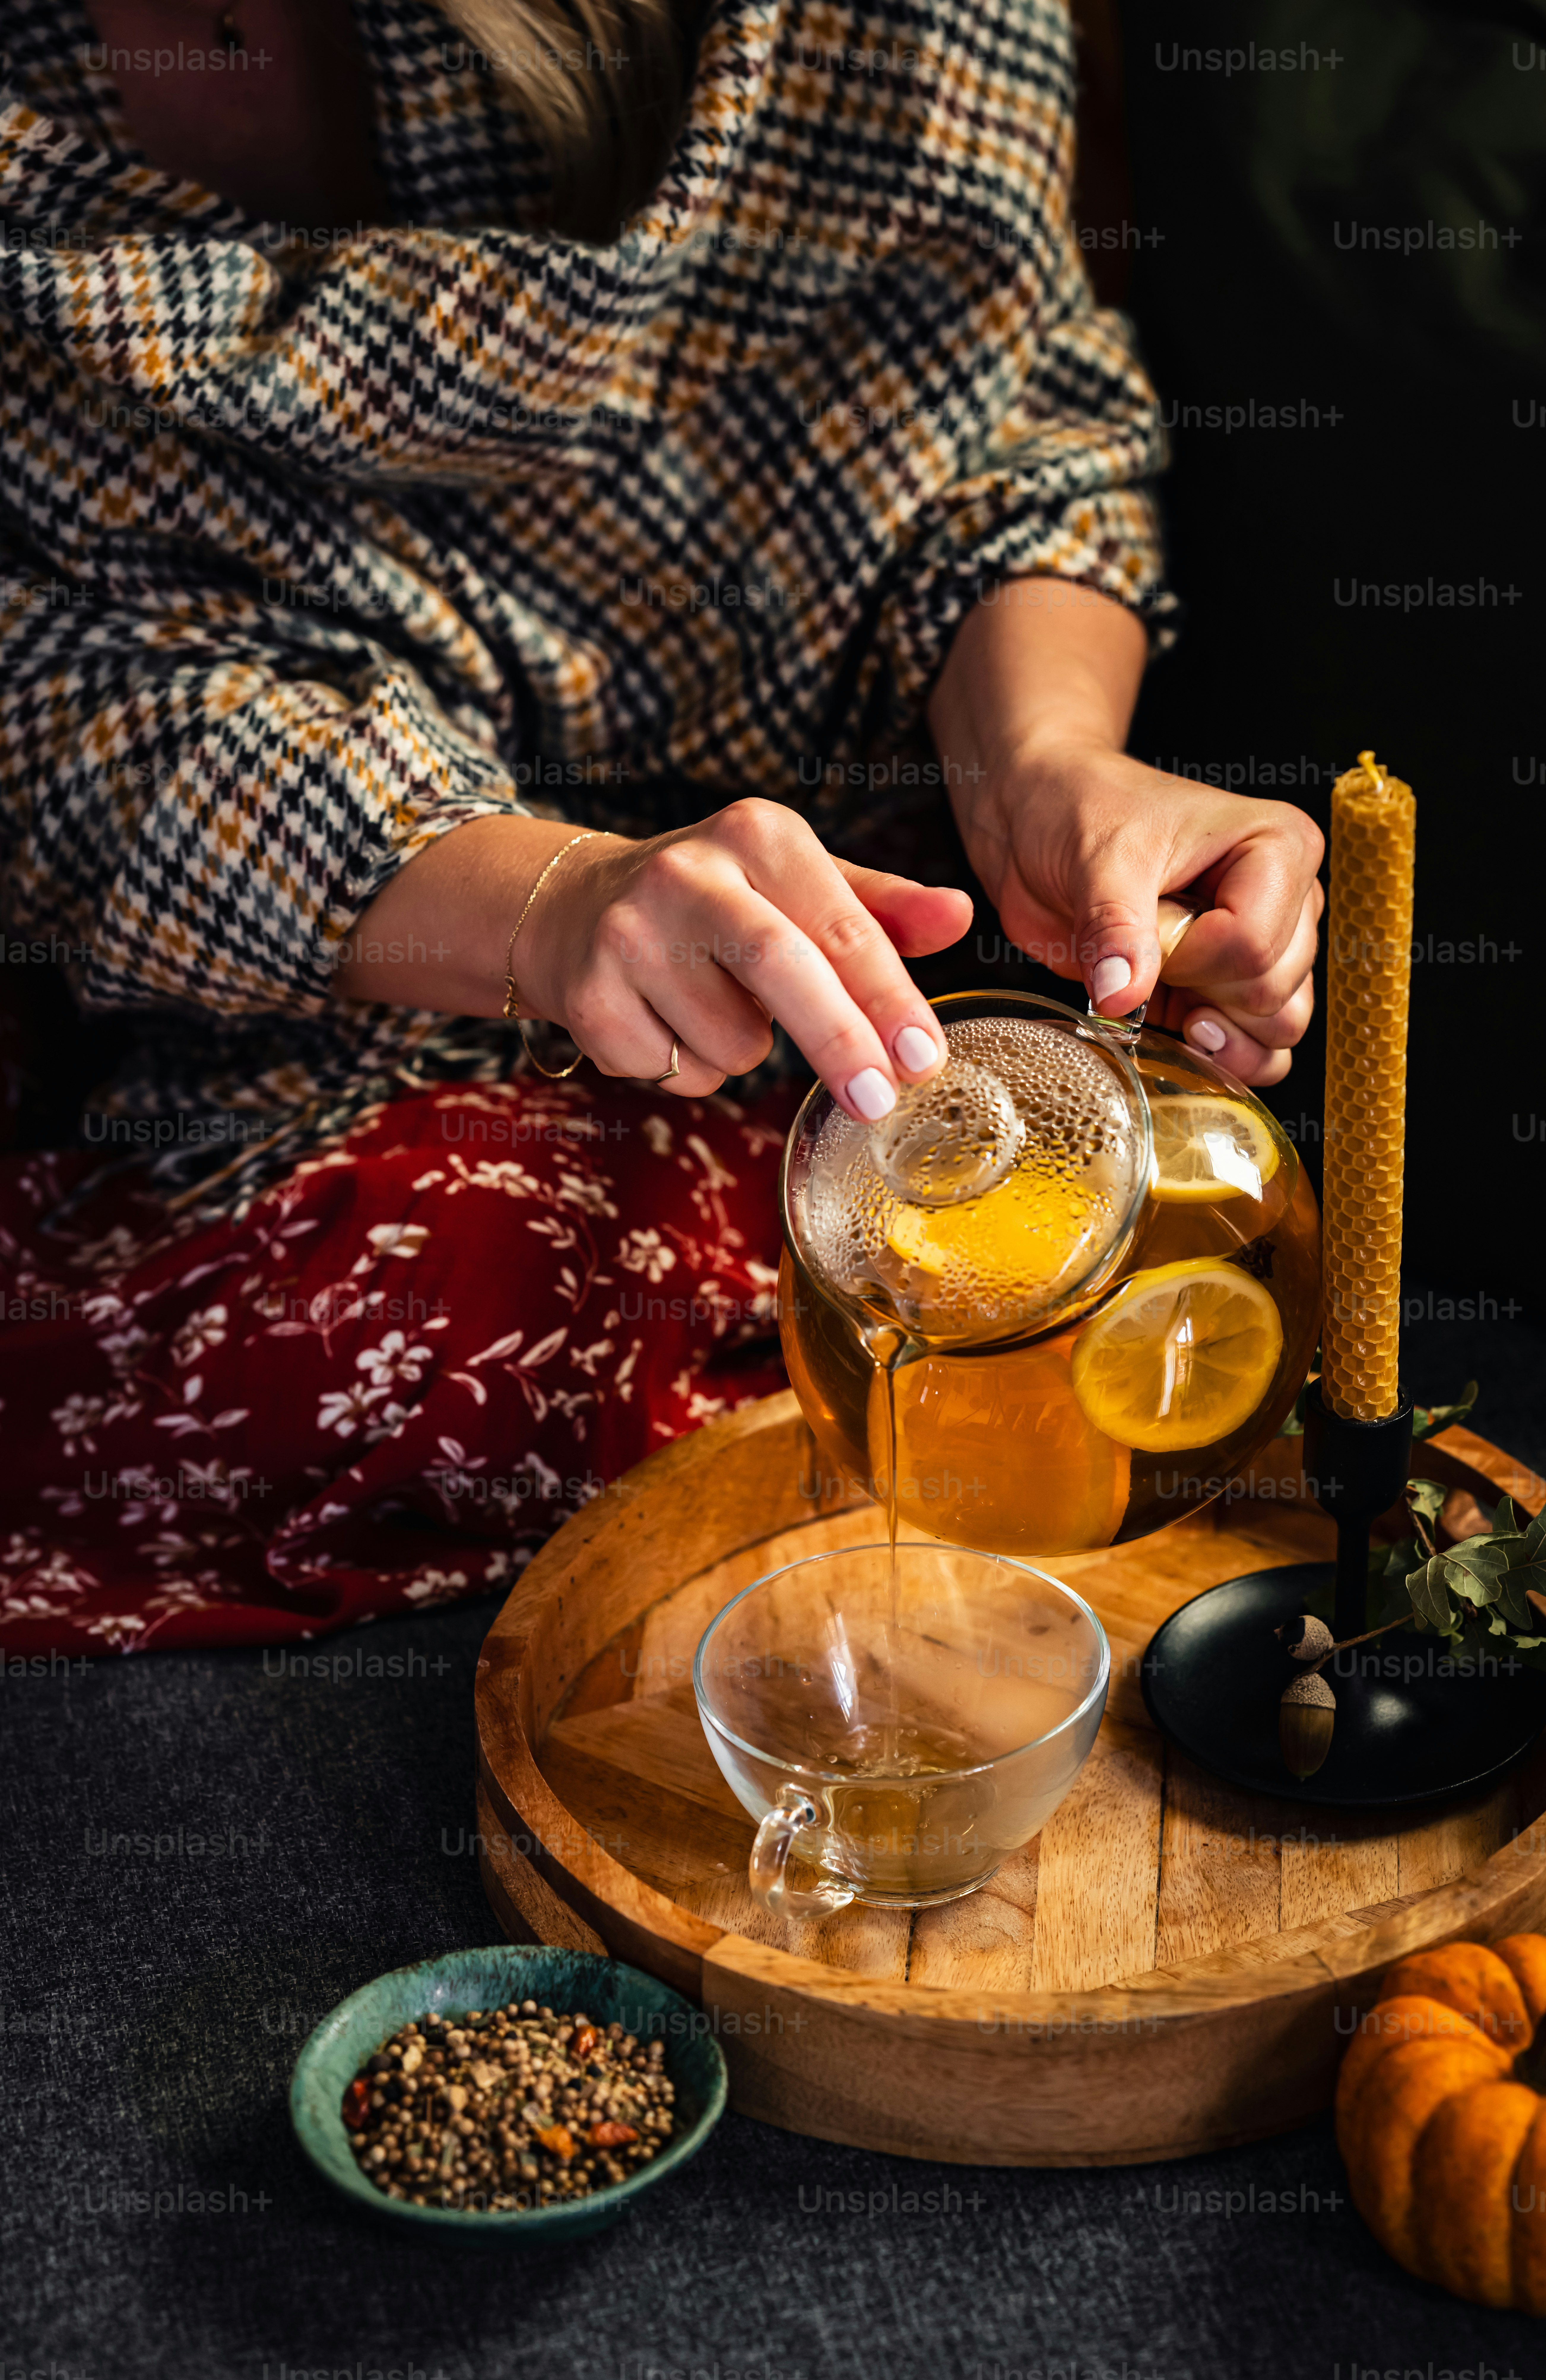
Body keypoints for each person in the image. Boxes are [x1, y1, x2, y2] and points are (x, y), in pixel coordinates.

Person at [0, 0, 1322, 1653]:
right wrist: (554, 906)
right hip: (293, 965)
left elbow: (1009, 401)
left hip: (887, 885)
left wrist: (1041, 764)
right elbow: (54, 716)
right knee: (379, 1310)